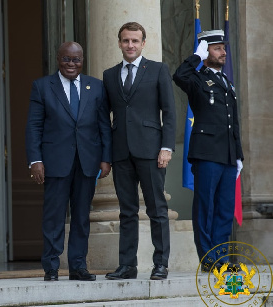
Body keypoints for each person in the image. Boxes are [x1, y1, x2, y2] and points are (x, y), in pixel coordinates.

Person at [25, 42, 112, 281]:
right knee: (53, 217)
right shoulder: (42, 86)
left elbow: (104, 124)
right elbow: (34, 126)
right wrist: (35, 160)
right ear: (58, 59)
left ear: (82, 60)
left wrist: (106, 159)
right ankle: (51, 267)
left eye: (76, 60)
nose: (71, 64)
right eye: (67, 59)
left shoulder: (96, 87)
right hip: (54, 161)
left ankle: (78, 267)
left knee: (82, 216)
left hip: (87, 161)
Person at [103, 22, 176, 280]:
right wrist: (106, 155)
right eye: (126, 41)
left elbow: (169, 112)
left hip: (151, 150)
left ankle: (161, 264)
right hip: (121, 152)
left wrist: (166, 147)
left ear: (143, 43)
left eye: (135, 41)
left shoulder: (157, 70)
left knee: (157, 209)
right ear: (120, 43)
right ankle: (127, 266)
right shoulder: (109, 75)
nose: (130, 45)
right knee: (127, 211)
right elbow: (104, 117)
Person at [173, 30, 244, 272]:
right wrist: (195, 57)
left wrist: (239, 155)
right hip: (206, 153)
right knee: (206, 206)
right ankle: (207, 258)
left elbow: (233, 122)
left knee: (224, 208)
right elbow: (178, 76)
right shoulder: (196, 78)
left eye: (223, 47)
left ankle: (221, 258)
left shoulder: (227, 82)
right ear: (205, 52)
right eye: (217, 48)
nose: (223, 52)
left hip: (227, 155)